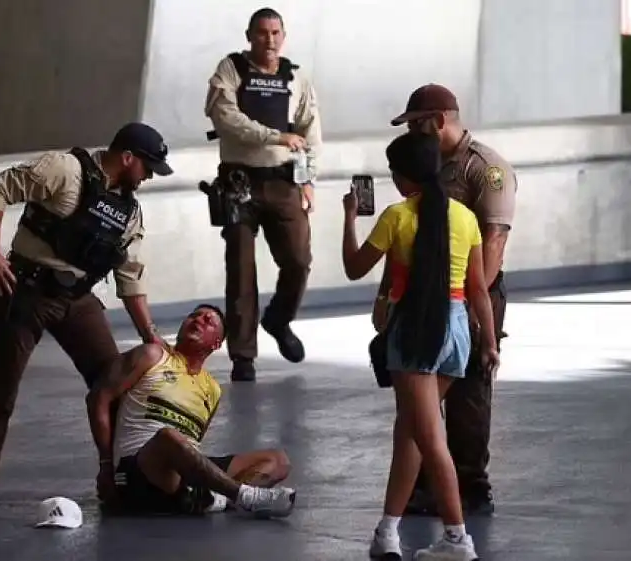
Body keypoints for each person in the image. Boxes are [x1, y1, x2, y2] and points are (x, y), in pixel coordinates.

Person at [0, 122, 173, 514]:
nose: (148, 177)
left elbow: (131, 280)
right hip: (27, 290)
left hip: (77, 299)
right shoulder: (64, 170)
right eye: (147, 168)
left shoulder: (129, 212)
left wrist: (151, 338)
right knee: (0, 389)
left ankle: (122, 479)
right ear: (127, 158)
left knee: (115, 383)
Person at [341, 131, 499, 560]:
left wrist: (349, 217)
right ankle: (387, 532)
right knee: (409, 432)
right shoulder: (464, 217)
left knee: (429, 440)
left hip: (417, 330)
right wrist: (488, 343)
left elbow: (355, 268)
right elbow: (478, 290)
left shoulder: (397, 216)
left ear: (404, 175)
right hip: (456, 331)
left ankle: (457, 539)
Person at [375, 84, 517, 516]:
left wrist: (471, 309)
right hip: (421, 296)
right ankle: (421, 487)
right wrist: (387, 294)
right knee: (418, 392)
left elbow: (492, 242)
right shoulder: (427, 165)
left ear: (439, 120)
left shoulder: (486, 169)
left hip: (470, 293)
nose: (414, 133)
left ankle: (471, 486)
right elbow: (408, 237)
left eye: (417, 124)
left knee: (468, 393)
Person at [86, 304, 296, 518]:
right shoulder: (152, 355)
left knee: (278, 460)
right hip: (139, 468)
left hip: (180, 472)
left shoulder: (212, 389)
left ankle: (212, 498)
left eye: (208, 321)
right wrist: (105, 465)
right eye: (194, 316)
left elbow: (194, 442)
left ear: (215, 343)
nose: (198, 320)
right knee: (168, 436)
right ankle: (244, 497)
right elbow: (98, 397)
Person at [204, 7, 323, 382]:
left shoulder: (297, 77)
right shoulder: (231, 69)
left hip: (285, 180)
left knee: (299, 259)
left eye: (275, 33)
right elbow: (225, 118)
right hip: (239, 183)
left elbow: (310, 131)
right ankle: (243, 356)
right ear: (249, 35)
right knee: (240, 266)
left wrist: (308, 179)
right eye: (261, 33)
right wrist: (274, 136)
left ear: (283, 37)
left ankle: (279, 319)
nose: (268, 40)